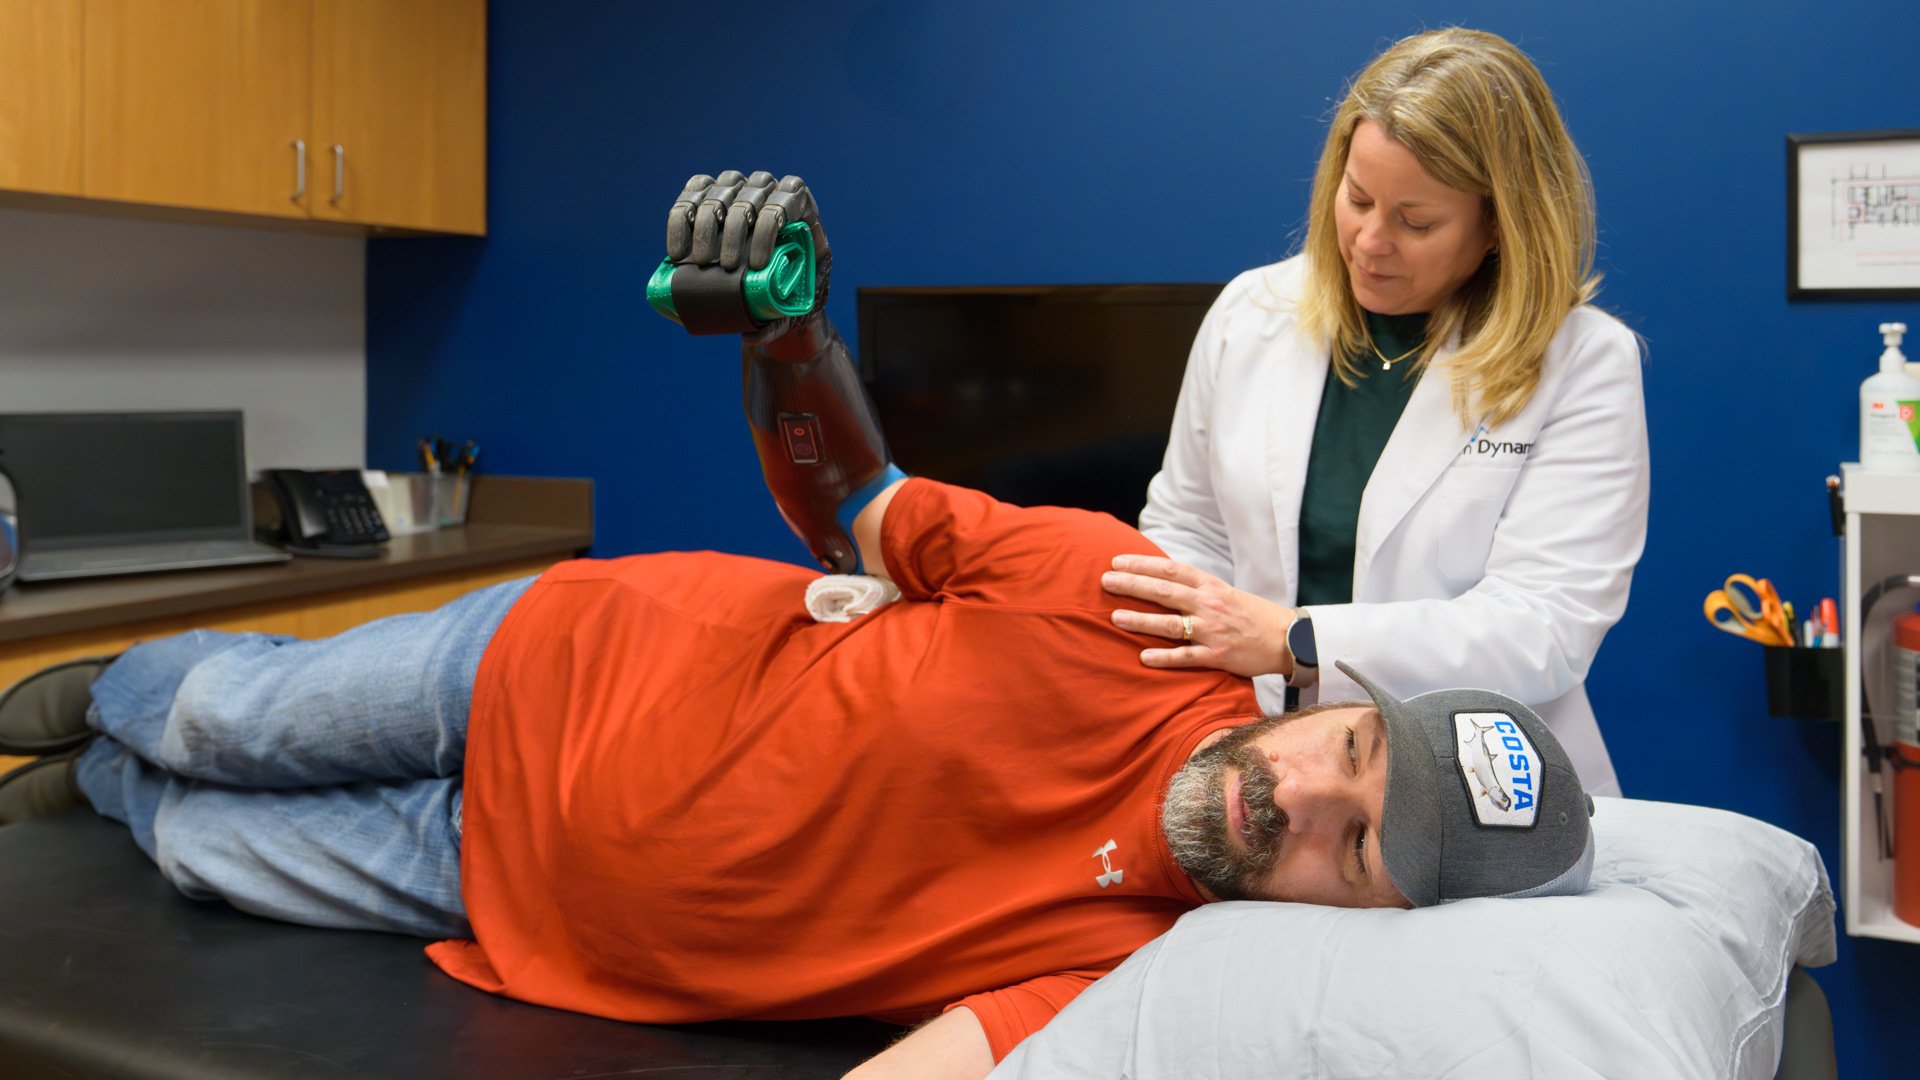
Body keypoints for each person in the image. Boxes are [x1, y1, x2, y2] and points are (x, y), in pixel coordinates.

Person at [0, 172, 1595, 1080]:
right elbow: (860, 507)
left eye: (1358, 845)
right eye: (1356, 750)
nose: (1304, 799)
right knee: (221, 718)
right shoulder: (1125, 604)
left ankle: (104, 788)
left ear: (1369, 916)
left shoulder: (1142, 969)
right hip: (554, 666)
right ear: (1328, 696)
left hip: (505, 887)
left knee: (194, 841)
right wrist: (786, 341)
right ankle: (104, 702)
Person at [1101, 27, 1648, 798]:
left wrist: (1295, 641)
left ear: (1500, 227)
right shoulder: (1250, 313)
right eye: (1356, 197)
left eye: (1417, 222)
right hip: (1251, 752)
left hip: (1471, 775)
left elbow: (1543, 628)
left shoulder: (1583, 362)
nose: (1368, 239)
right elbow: (1188, 531)